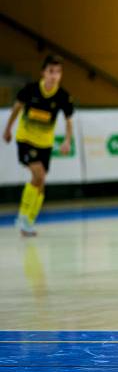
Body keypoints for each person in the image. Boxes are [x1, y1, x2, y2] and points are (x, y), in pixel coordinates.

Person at [3, 55, 74, 236]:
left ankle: (28, 222)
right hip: (26, 139)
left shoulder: (63, 96)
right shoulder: (30, 89)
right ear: (43, 73)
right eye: (51, 71)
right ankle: (22, 216)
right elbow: (17, 108)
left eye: (58, 72)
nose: (54, 76)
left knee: (41, 182)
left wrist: (67, 140)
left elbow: (68, 120)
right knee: (39, 174)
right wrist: (8, 129)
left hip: (45, 144)